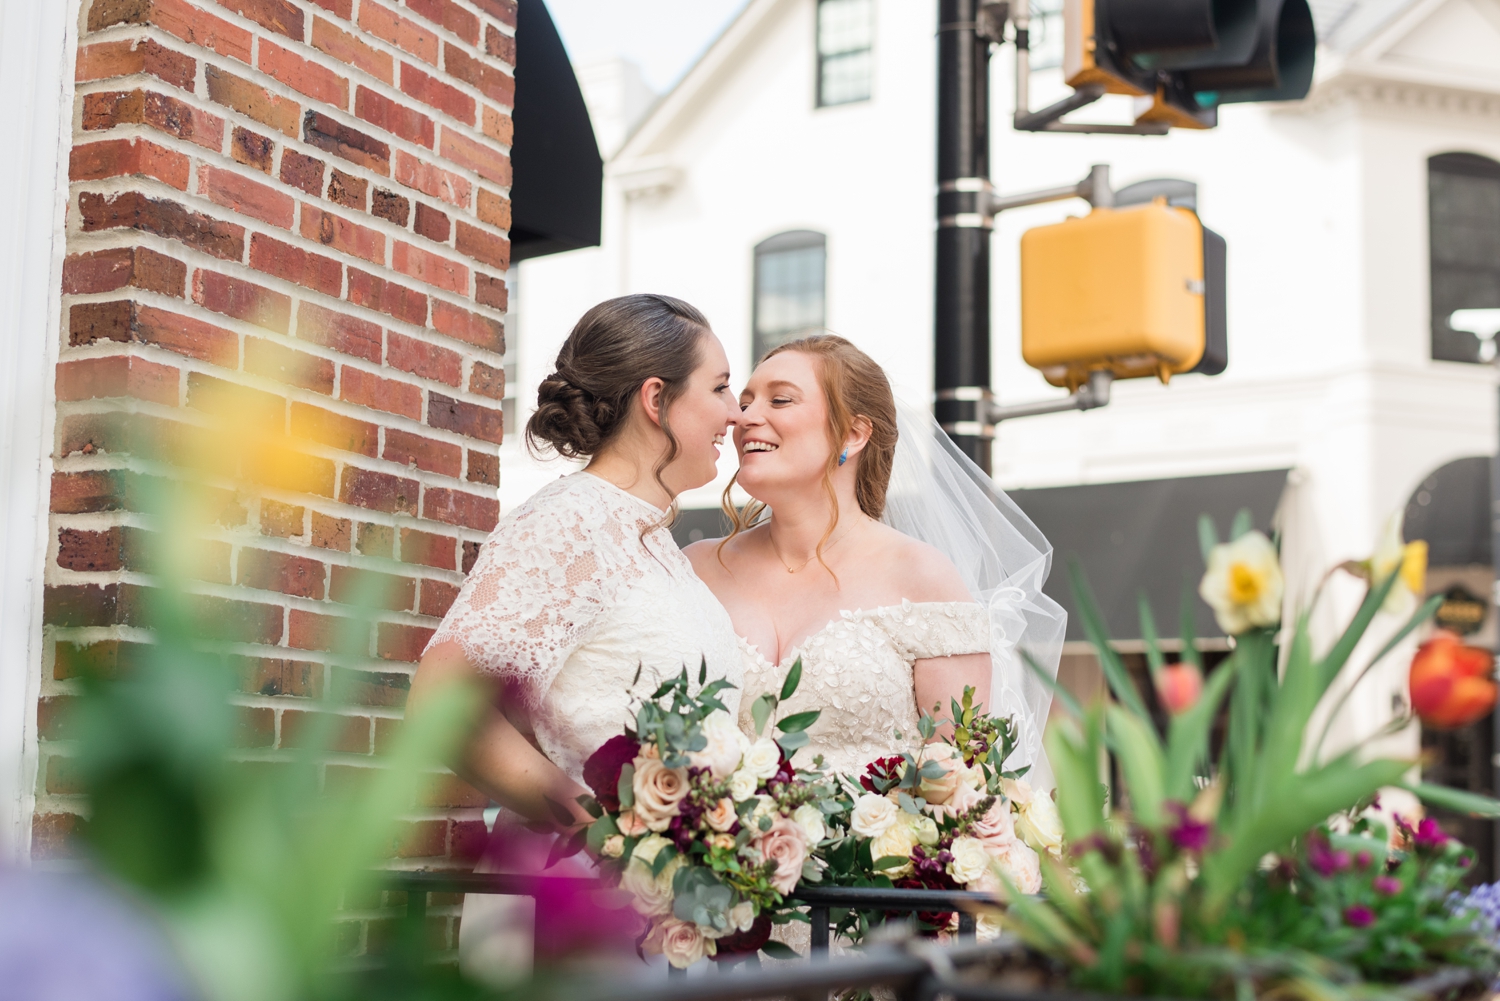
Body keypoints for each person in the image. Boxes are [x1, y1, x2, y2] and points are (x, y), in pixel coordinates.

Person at [409, 294, 745, 980]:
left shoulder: (654, 540)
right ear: (656, 399)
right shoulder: (568, 524)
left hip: (668, 913)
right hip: (585, 906)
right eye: (719, 388)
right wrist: (602, 829)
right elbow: (442, 700)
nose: (735, 412)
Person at [686, 334, 1065, 780]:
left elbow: (962, 776)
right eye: (745, 402)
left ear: (853, 432)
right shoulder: (695, 569)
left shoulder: (920, 576)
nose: (746, 417)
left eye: (781, 400)